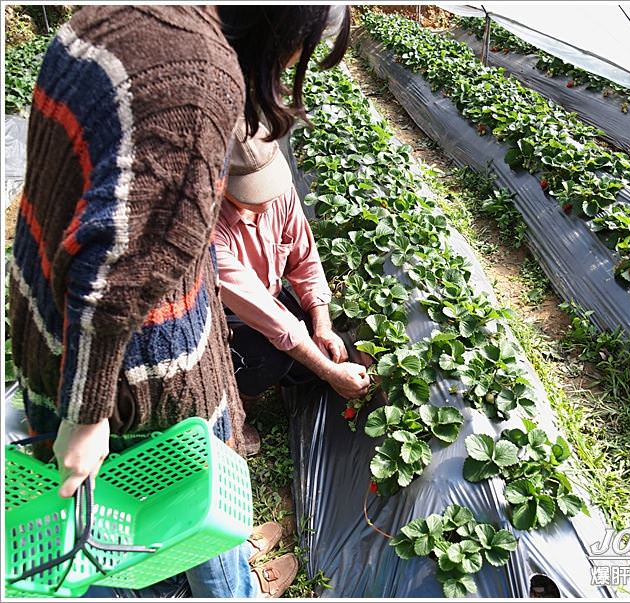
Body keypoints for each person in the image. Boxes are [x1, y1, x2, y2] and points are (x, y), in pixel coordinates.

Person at [8, 5, 349, 598]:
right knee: (169, 503)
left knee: (141, 506)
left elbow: (300, 256)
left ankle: (221, 568)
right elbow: (116, 274)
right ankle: (225, 583)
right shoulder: (199, 85)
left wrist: (318, 314)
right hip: (140, 379)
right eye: (302, 51)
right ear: (281, 29)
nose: (294, 67)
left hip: (55, 331)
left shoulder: (125, 14)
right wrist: (87, 415)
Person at [214, 118, 371, 424]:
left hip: (269, 293)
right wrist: (330, 373)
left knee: (310, 356)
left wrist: (322, 327)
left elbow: (305, 260)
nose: (266, 199)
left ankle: (279, 371)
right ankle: (236, 409)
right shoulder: (210, 230)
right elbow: (268, 317)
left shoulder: (280, 195)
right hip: (226, 312)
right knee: (267, 358)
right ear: (220, 183)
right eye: (251, 192)